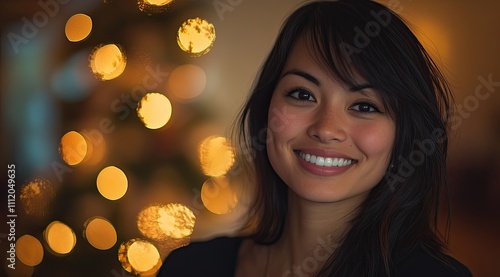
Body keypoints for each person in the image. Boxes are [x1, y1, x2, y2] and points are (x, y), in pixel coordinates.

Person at [157, 0, 472, 276]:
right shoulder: (188, 267)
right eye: (302, 94)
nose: (326, 128)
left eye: (364, 105)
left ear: (405, 134)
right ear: (267, 108)